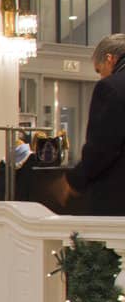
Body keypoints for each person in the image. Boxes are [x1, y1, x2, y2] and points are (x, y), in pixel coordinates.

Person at [61, 33, 125, 215]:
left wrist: (75, 180)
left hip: (117, 200)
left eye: (99, 70)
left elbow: (103, 146)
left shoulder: (112, 87)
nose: (101, 77)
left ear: (110, 59)